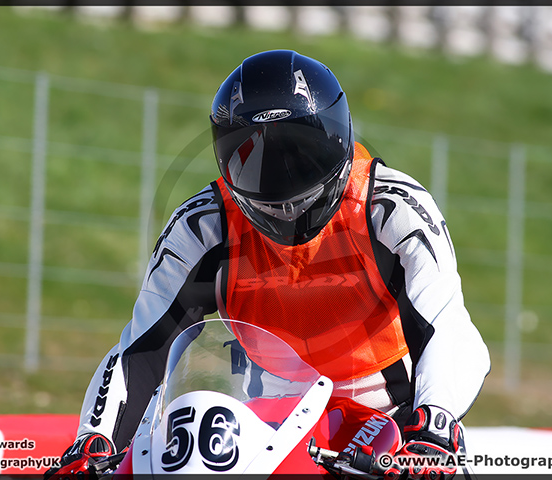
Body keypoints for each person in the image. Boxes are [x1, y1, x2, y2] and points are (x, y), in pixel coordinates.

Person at [46, 49, 491, 480]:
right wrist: (95, 441)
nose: (283, 186)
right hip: (266, 429)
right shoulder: (202, 225)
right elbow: (143, 346)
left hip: (389, 424)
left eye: (300, 151)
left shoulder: (393, 208)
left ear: (338, 138)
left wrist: (434, 425)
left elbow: (448, 324)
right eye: (252, 154)